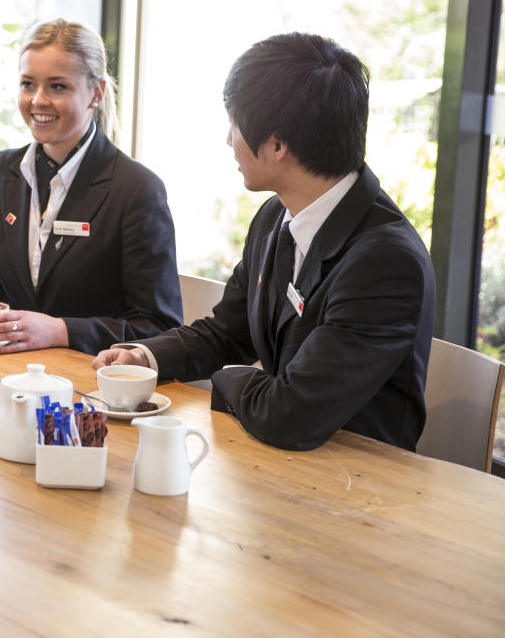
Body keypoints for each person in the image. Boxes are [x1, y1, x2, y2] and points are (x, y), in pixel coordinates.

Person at [93, 32, 436, 452]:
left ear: (277, 145)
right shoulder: (277, 215)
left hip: (356, 486)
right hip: (276, 461)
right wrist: (145, 358)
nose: (228, 140)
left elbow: (289, 413)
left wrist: (225, 379)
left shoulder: (385, 263)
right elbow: (227, 332)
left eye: (234, 125)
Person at [0, 18, 182, 354]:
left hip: (90, 389)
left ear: (95, 93)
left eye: (57, 87)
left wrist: (60, 331)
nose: (38, 100)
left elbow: (158, 327)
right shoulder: (2, 171)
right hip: (5, 375)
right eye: (28, 84)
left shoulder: (137, 190)